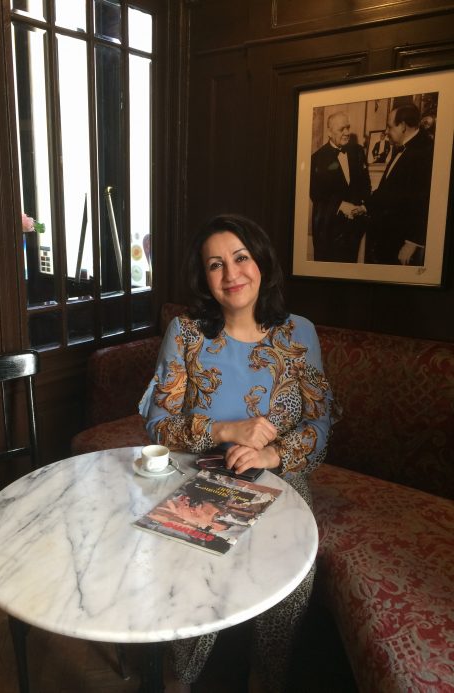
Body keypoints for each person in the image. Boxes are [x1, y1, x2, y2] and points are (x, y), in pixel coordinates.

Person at [139, 214, 338, 692]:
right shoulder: (186, 334)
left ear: (261, 262)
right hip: (200, 472)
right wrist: (226, 429)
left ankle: (265, 676)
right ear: (204, 278)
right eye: (215, 264)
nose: (231, 274)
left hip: (281, 476)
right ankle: (180, 676)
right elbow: (158, 423)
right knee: (197, 558)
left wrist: (272, 456)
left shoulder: (299, 334)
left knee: (294, 573)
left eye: (241, 258)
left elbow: (320, 423)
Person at [366, 103, 434, 265]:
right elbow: (387, 189)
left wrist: (412, 242)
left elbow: (425, 201)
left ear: (403, 126)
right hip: (387, 236)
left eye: (390, 127)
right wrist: (365, 206)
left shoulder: (426, 151)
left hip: (402, 242)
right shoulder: (402, 146)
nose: (386, 131)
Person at [310, 111, 371, 262]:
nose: (347, 132)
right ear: (329, 132)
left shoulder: (358, 151)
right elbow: (316, 193)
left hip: (354, 228)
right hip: (328, 227)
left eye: (348, 128)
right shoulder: (317, 158)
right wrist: (341, 205)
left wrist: (362, 206)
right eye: (341, 129)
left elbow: (366, 184)